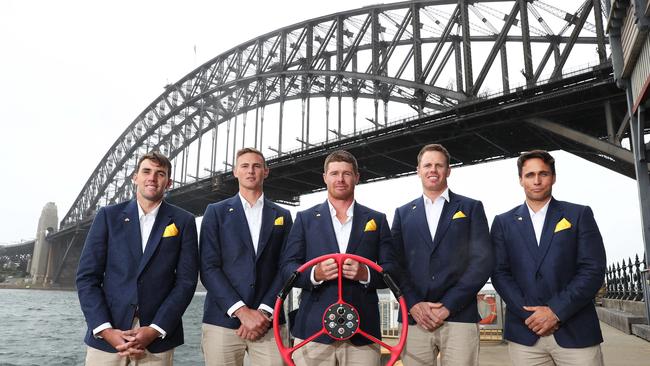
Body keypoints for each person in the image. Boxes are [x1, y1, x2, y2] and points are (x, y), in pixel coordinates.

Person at [76, 151, 199, 365]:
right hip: (109, 335)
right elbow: (87, 277)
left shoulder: (184, 221)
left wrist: (155, 329)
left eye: (160, 173)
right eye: (146, 171)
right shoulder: (108, 216)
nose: (152, 178)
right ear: (135, 177)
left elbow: (186, 282)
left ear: (168, 182)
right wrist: (105, 330)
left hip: (157, 339)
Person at [491, 150, 606, 365]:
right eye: (529, 175)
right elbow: (499, 273)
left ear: (553, 177)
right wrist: (531, 316)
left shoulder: (579, 215)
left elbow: (593, 269)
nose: (536, 181)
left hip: (575, 330)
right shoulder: (503, 223)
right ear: (520, 180)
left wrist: (555, 311)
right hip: (525, 334)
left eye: (543, 174)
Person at [281, 149, 393, 365]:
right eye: (334, 173)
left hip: (363, 334)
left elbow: (392, 270)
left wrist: (365, 273)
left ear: (357, 177)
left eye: (346, 173)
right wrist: (315, 273)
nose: (340, 179)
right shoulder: (304, 219)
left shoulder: (377, 220)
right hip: (313, 332)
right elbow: (287, 267)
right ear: (325, 178)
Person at [389, 143, 493, 366]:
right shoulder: (403, 213)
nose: (433, 170)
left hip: (459, 315)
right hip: (414, 318)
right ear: (418, 170)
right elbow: (394, 264)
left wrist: (448, 305)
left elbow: (482, 262)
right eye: (427, 165)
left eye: (439, 165)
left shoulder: (471, 207)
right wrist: (414, 304)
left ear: (448, 170)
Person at [199, 147, 293, 366]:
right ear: (235, 172)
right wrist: (242, 312)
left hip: (268, 323)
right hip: (222, 321)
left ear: (266, 172)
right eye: (245, 166)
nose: (251, 171)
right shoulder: (215, 212)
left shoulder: (282, 215)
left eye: (256, 166)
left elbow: (286, 267)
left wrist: (263, 312)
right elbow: (208, 267)